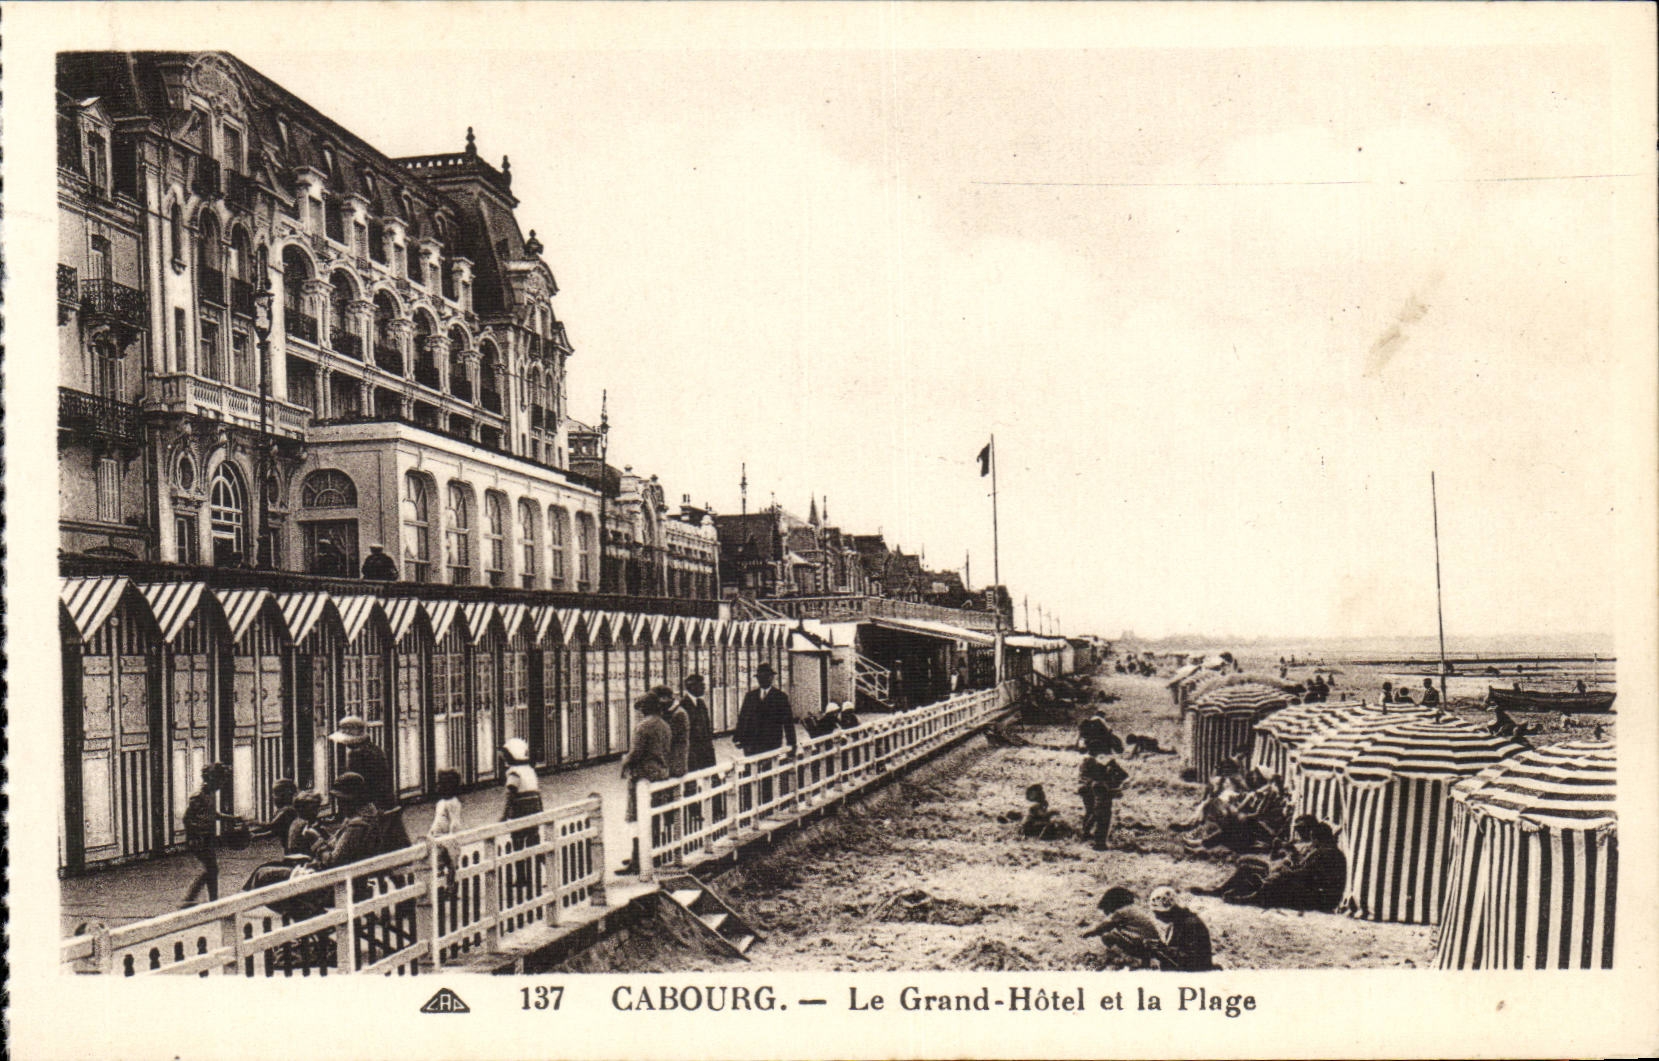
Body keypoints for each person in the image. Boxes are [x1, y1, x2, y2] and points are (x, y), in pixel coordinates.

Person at [1200, 815, 1346, 911]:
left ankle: (1251, 899)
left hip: (1319, 900)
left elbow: (1305, 874)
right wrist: (1290, 864)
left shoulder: (1328, 854)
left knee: (1280, 878)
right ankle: (1220, 890)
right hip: (1312, 893)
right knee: (1247, 869)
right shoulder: (1323, 850)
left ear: (1318, 839)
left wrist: (1288, 870)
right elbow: (1304, 869)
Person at [619, 695, 672, 875]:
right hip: (661, 775)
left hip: (643, 776)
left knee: (636, 818)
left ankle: (637, 861)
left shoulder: (643, 727)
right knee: (655, 817)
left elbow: (636, 753)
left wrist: (624, 762)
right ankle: (654, 855)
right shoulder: (665, 725)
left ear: (644, 709)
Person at [182, 763, 239, 906]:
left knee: (212, 868)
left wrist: (231, 818)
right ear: (212, 779)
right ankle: (190, 898)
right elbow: (187, 818)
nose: (222, 784)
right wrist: (193, 836)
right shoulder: (198, 796)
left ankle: (211, 900)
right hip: (199, 838)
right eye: (221, 780)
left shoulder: (210, 794)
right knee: (211, 868)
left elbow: (213, 815)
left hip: (207, 837)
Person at [311, 772, 384, 870]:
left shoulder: (357, 825)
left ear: (351, 800)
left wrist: (317, 840)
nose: (339, 805)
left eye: (341, 800)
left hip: (349, 877)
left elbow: (332, 861)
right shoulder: (370, 813)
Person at [1082, 887, 1164, 968]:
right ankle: (1145, 960)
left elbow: (1104, 926)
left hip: (1143, 944)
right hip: (1154, 945)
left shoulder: (1121, 912)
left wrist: (1089, 933)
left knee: (1107, 936)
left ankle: (1130, 960)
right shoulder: (1134, 909)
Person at [330, 716, 395, 811]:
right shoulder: (374, 749)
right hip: (383, 801)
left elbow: (361, 786)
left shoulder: (359, 755)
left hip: (371, 805)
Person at [1148, 886, 1216, 971]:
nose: (1157, 917)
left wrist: (1163, 949)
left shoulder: (1191, 924)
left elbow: (1193, 958)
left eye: (1158, 913)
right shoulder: (1177, 923)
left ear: (1169, 911)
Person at [1078, 753, 1129, 851]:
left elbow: (1123, 776)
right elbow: (1107, 792)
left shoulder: (1098, 780)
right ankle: (1095, 841)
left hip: (1101, 802)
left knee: (1096, 817)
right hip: (1099, 802)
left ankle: (1090, 837)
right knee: (1100, 820)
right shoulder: (1097, 782)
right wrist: (1119, 789)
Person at [427, 768, 464, 887]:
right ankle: (442, 886)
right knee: (438, 863)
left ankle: (451, 886)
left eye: (441, 784)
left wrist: (452, 837)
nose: (438, 787)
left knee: (450, 863)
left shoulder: (452, 803)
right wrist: (431, 831)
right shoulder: (441, 802)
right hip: (438, 837)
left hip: (446, 838)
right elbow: (437, 820)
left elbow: (454, 821)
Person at [680, 674, 718, 773]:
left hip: (706, 750)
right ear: (692, 687)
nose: (704, 688)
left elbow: (706, 726)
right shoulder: (683, 705)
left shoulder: (701, 703)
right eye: (701, 685)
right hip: (693, 753)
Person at [252, 778, 299, 847]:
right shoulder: (283, 810)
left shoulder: (288, 810)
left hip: (294, 847)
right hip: (289, 846)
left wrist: (254, 823)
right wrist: (258, 836)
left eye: (275, 794)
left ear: (284, 795)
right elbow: (276, 831)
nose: (273, 797)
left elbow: (271, 826)